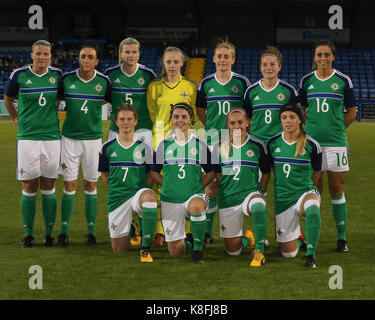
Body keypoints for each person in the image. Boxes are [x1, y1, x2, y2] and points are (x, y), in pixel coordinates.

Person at [299, 40, 357, 253]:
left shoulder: (343, 80)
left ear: (333, 57)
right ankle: (310, 235)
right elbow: (304, 109)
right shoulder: (306, 81)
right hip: (312, 146)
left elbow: (352, 111)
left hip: (336, 144)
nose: (322, 58)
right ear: (314, 58)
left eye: (326, 55)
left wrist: (338, 129)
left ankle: (342, 239)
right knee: (313, 189)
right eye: (319, 55)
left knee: (337, 189)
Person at [4, 40, 62, 247]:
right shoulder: (18, 75)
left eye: (45, 54)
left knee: (49, 186)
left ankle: (48, 234)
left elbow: (58, 100)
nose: (42, 57)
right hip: (27, 138)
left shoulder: (57, 75)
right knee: (28, 185)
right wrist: (16, 118)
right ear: (31, 55)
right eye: (38, 53)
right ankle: (28, 234)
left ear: (50, 56)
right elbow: (8, 99)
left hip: (52, 138)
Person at [196, 40, 251, 245]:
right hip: (212, 141)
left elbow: (248, 112)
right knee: (211, 186)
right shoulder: (206, 83)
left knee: (233, 185)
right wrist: (211, 125)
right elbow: (201, 110)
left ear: (233, 59)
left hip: (234, 141)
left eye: (226, 56)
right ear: (213, 59)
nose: (222, 60)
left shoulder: (242, 82)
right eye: (219, 56)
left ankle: (237, 230)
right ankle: (208, 231)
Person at [57, 41, 111, 246]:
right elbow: (57, 101)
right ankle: (63, 232)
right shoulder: (67, 79)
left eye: (90, 57)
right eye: (82, 56)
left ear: (97, 60)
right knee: (69, 185)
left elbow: (106, 100)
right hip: (69, 139)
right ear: (78, 58)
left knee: (91, 185)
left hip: (93, 141)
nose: (85, 60)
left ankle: (91, 233)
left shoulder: (104, 82)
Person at [150, 103, 215, 264]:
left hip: (193, 195)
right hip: (170, 198)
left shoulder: (200, 144)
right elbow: (154, 171)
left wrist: (199, 186)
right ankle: (188, 240)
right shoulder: (163, 145)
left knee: (197, 206)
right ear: (171, 120)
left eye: (184, 117)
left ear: (191, 120)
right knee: (176, 252)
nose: (180, 120)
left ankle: (198, 250)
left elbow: (211, 172)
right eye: (176, 117)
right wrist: (167, 184)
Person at [147, 46, 199, 246]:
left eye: (176, 61)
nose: (172, 65)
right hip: (160, 140)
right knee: (161, 186)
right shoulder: (154, 88)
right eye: (168, 61)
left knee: (183, 185)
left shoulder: (190, 87)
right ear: (163, 63)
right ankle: (161, 231)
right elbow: (154, 115)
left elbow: (192, 116)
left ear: (182, 63)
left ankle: (186, 232)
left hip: (183, 141)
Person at [99, 104, 158, 262]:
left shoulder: (145, 148)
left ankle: (145, 248)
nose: (126, 122)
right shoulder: (107, 148)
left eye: (129, 119)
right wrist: (115, 190)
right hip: (117, 198)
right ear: (116, 122)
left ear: (136, 122)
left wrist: (143, 191)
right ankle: (132, 227)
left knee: (150, 199)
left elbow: (151, 175)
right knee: (119, 249)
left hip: (137, 194)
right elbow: (104, 174)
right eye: (122, 119)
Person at [267, 104, 322, 268]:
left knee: (312, 207)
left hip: (304, 192)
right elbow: (274, 170)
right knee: (288, 254)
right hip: (283, 199)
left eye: (292, 117)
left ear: (300, 119)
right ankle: (298, 239)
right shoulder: (273, 143)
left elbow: (318, 171)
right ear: (280, 121)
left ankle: (310, 255)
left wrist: (306, 186)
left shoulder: (312, 144)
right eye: (284, 117)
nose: (288, 121)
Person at [215, 108, 270, 267]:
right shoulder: (219, 147)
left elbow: (266, 172)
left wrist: (261, 191)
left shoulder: (258, 145)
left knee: (259, 207)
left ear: (247, 122)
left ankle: (259, 251)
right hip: (228, 199)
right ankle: (248, 239)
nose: (237, 125)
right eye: (232, 123)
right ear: (228, 125)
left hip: (249, 195)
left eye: (240, 122)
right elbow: (217, 173)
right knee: (233, 251)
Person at [104, 37, 156, 144]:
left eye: (134, 52)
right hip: (117, 130)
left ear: (139, 54)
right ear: (120, 54)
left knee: (144, 161)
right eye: (127, 52)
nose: (130, 55)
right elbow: (103, 99)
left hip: (143, 129)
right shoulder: (110, 74)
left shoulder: (148, 75)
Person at [243, 46, 298, 144]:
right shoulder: (251, 91)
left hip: (280, 143)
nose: (268, 68)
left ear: (279, 66)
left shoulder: (289, 91)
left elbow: (296, 119)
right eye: (265, 64)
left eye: (272, 64)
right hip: (257, 142)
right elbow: (247, 119)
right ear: (260, 67)